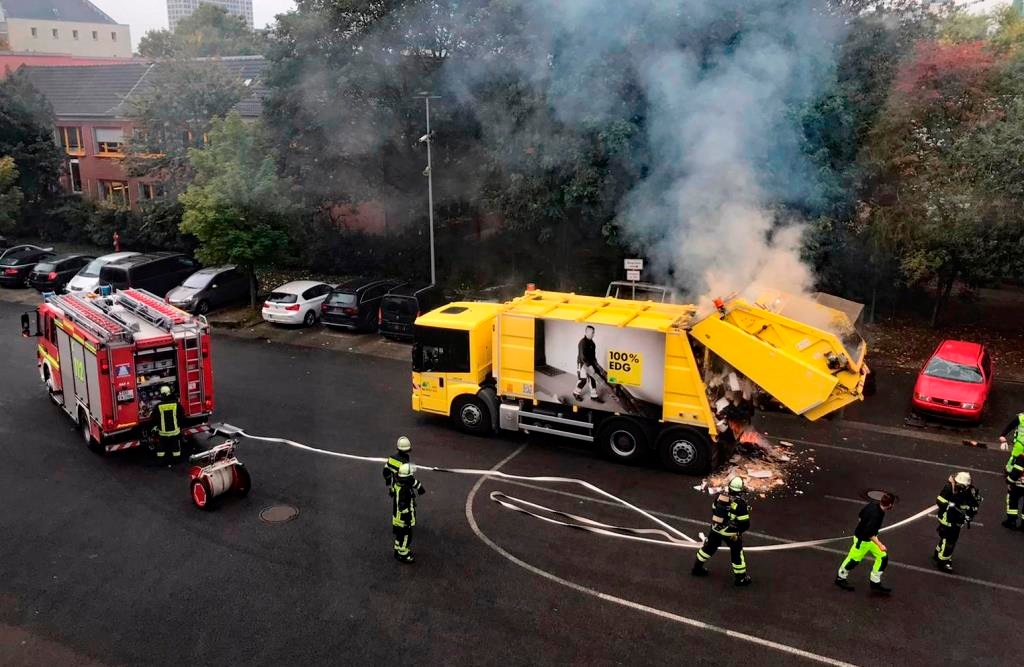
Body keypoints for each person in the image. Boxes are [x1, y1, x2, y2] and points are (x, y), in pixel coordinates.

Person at [692, 476, 752, 586]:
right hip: (731, 533)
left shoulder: (721, 497)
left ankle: (697, 568)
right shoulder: (741, 504)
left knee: (707, 549)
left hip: (716, 529)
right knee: (737, 553)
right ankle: (741, 578)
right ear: (740, 490)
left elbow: (714, 509)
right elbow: (745, 524)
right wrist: (737, 532)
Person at [835, 493, 894, 594]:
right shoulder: (877, 515)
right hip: (862, 541)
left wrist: (863, 525)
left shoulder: (872, 505)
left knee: (883, 557)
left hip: (870, 540)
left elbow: (860, 516)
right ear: (890, 505)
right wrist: (880, 545)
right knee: (853, 560)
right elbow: (869, 533)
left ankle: (875, 582)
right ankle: (840, 578)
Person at [932, 472, 981, 573]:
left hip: (958, 520)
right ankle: (943, 562)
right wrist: (949, 504)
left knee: (946, 539)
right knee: (950, 541)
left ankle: (938, 553)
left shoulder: (970, 491)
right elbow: (939, 500)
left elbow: (974, 504)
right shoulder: (949, 488)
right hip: (947, 519)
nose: (961, 487)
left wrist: (970, 515)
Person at [391, 463, 425, 563]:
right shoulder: (405, 489)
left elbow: (413, 482)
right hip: (403, 519)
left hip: (397, 517)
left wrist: (419, 486)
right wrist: (407, 519)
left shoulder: (399, 483)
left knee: (399, 536)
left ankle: (397, 549)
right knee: (406, 536)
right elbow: (403, 506)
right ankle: (403, 554)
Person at [1000, 412, 1024, 530]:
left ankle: (1011, 521)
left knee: (1012, 499)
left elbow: (1016, 471)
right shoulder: (1021, 418)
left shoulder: (1021, 457)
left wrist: (1009, 480)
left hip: (1018, 483)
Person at [573, 325, 602, 403]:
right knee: (583, 380)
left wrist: (596, 365)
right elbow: (583, 357)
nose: (593, 334)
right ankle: (575, 393)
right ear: (586, 332)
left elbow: (593, 356)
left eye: (593, 332)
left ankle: (594, 396)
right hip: (582, 363)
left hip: (590, 363)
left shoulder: (592, 343)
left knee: (593, 378)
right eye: (592, 332)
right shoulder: (582, 343)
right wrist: (590, 366)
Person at [153, 385, 182, 461]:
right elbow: (181, 415)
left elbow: (154, 418)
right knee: (176, 447)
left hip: (163, 433)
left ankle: (161, 460)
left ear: (162, 395)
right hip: (175, 432)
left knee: (161, 447)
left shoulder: (158, 406)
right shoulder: (176, 404)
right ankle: (176, 459)